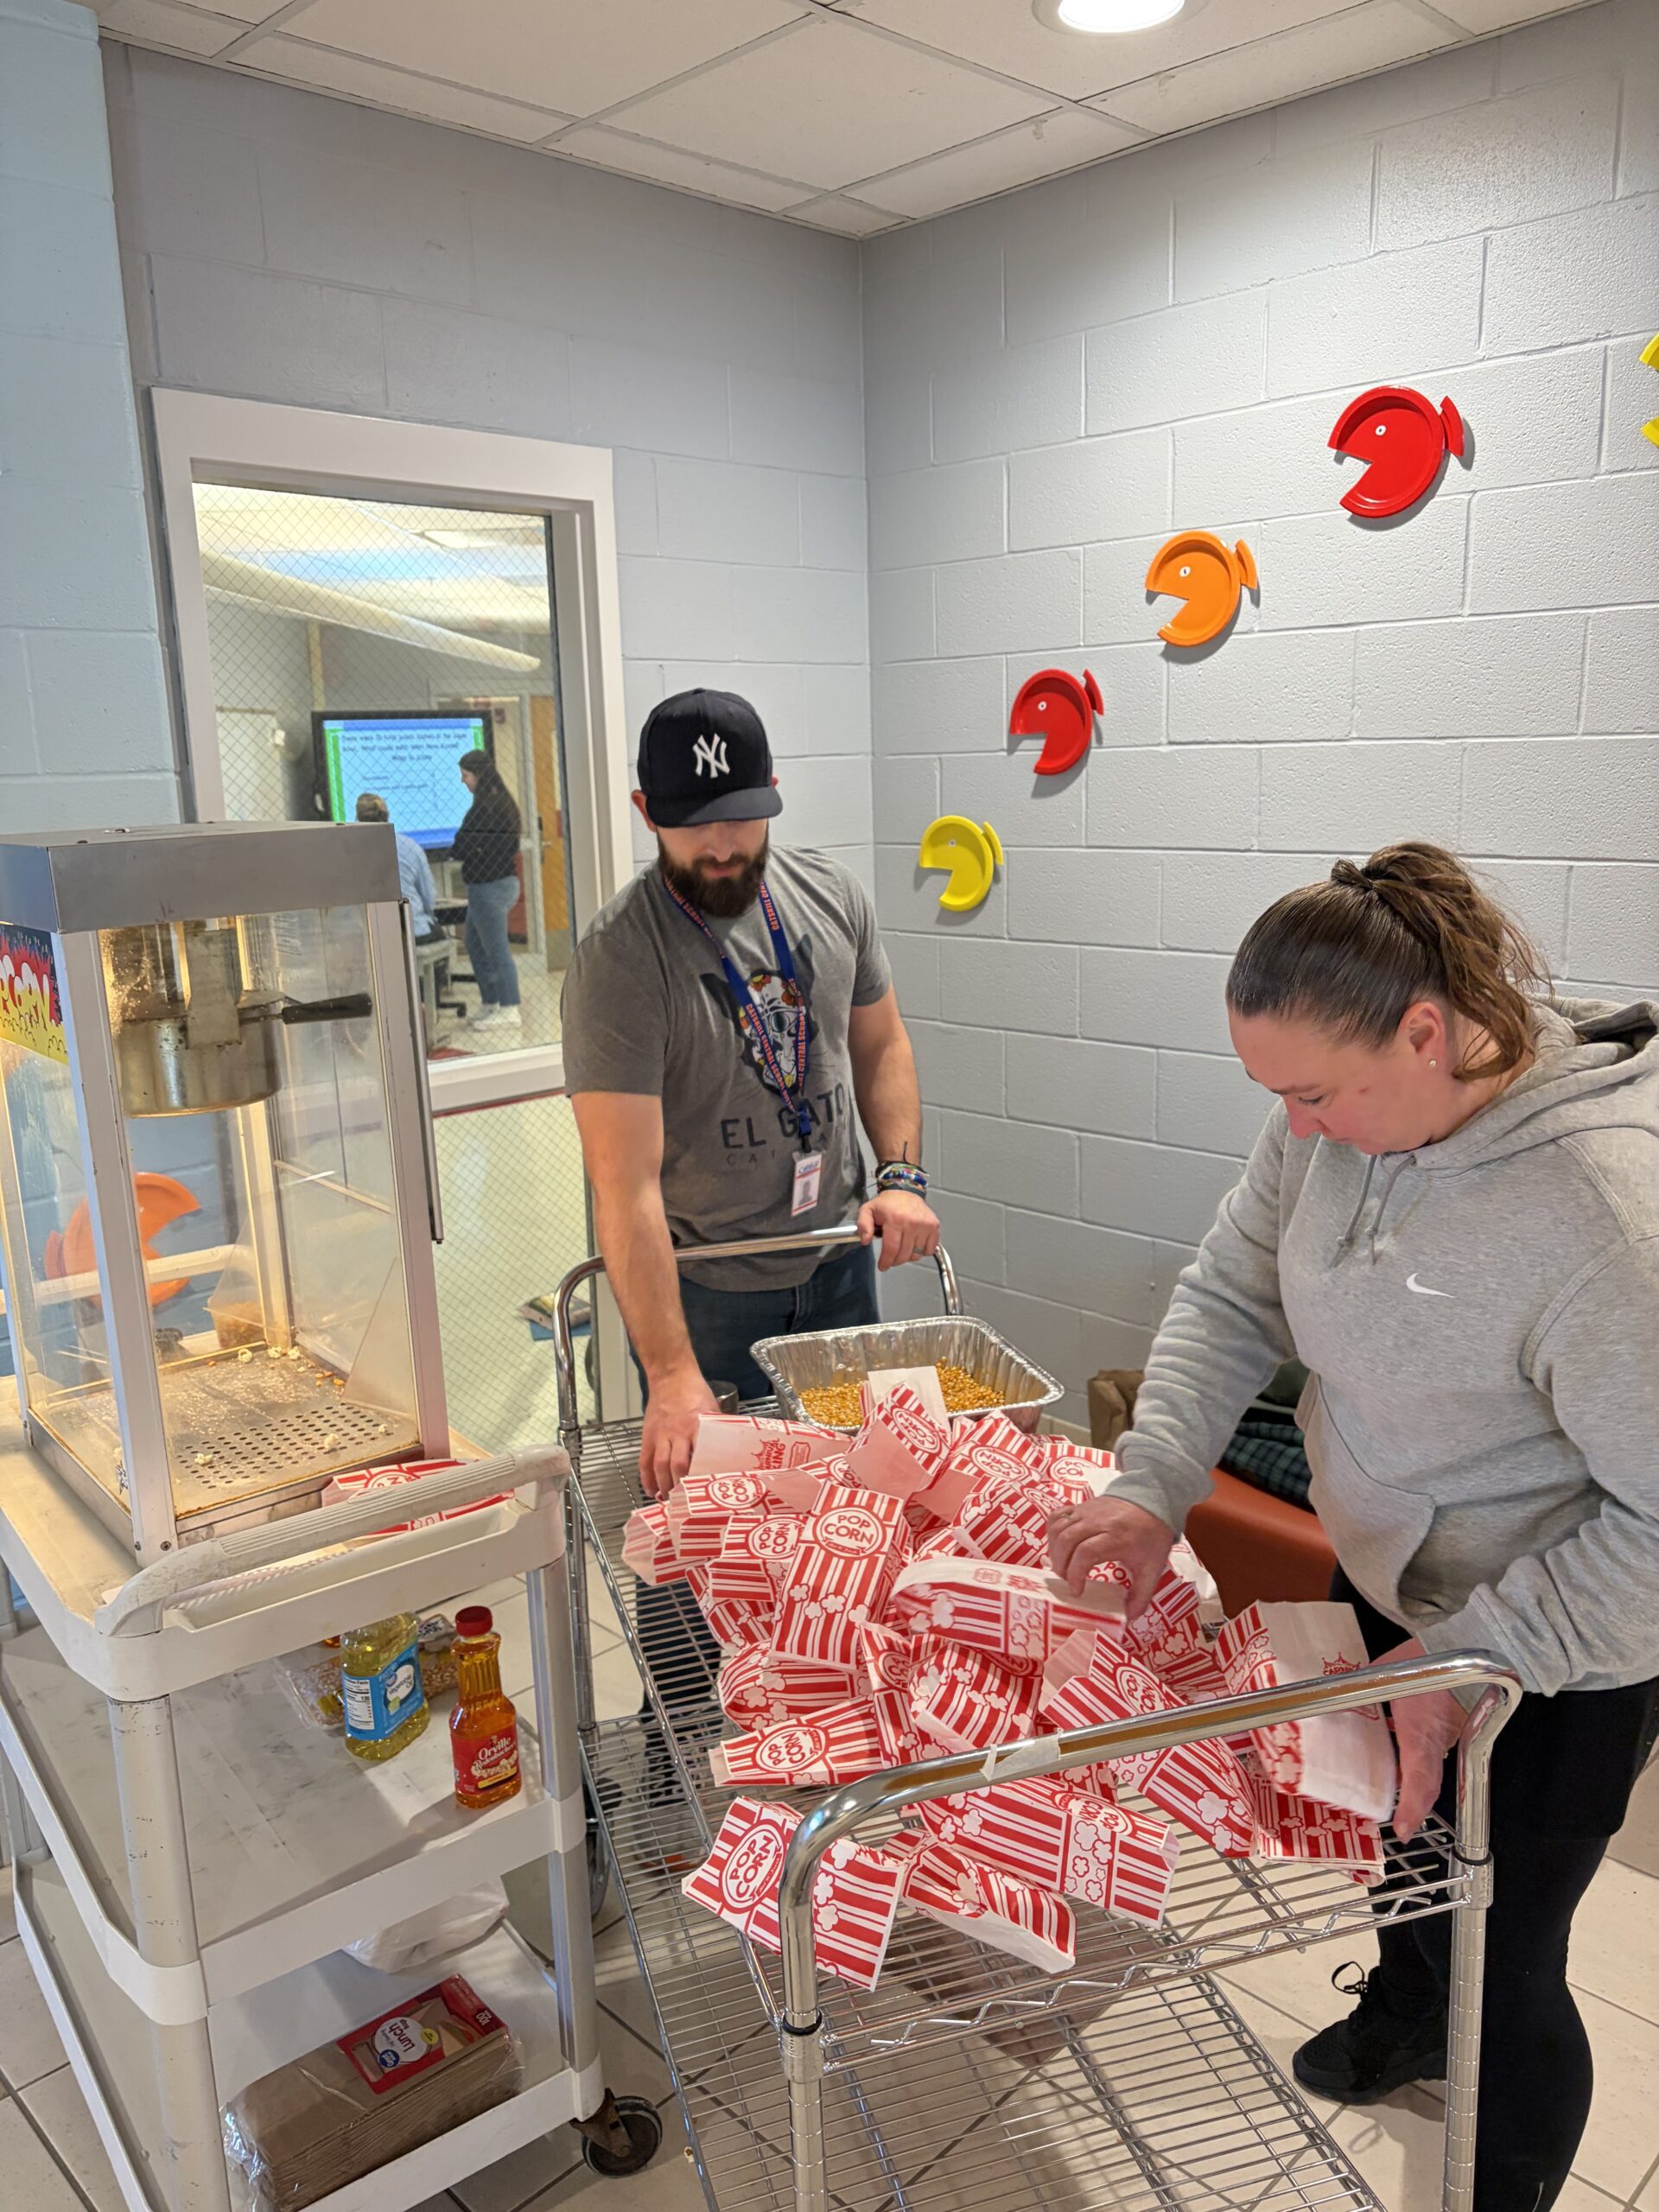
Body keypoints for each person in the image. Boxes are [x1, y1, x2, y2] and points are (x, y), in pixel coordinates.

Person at [1046, 842, 1658, 2212]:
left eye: (1315, 1094)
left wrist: (1475, 1660)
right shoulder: (1324, 1117)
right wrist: (1153, 1485)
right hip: (1401, 1580)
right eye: (1278, 1099)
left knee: (1505, 1958)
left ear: (1427, 1033)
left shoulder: (1606, 1219)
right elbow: (1229, 1290)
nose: (1297, 1129)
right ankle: (1398, 2009)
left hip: (1553, 1651)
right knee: (1405, 1851)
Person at [561, 687, 940, 1495]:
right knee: (714, 1533)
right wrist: (670, 1377)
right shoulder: (620, 959)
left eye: (740, 813)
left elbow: (880, 1046)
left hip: (839, 1264)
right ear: (645, 810)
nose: (723, 843)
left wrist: (900, 1178)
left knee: (848, 1508)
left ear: (772, 789)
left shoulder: (832, 895)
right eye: (694, 820)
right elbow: (622, 1185)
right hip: (707, 1289)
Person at [451, 748, 524, 1033]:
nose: (463, 781)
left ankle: (509, 1008)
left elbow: (462, 844)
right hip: (497, 884)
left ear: (478, 775)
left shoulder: (487, 807)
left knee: (495, 949)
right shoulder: (497, 801)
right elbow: (466, 843)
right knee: (475, 943)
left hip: (488, 887)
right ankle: (491, 1002)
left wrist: (463, 849)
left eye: (465, 775)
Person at [353, 791, 440, 943]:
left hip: (372, 933)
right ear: (387, 816)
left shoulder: (351, 851)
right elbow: (429, 897)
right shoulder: (410, 846)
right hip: (413, 928)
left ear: (358, 818)